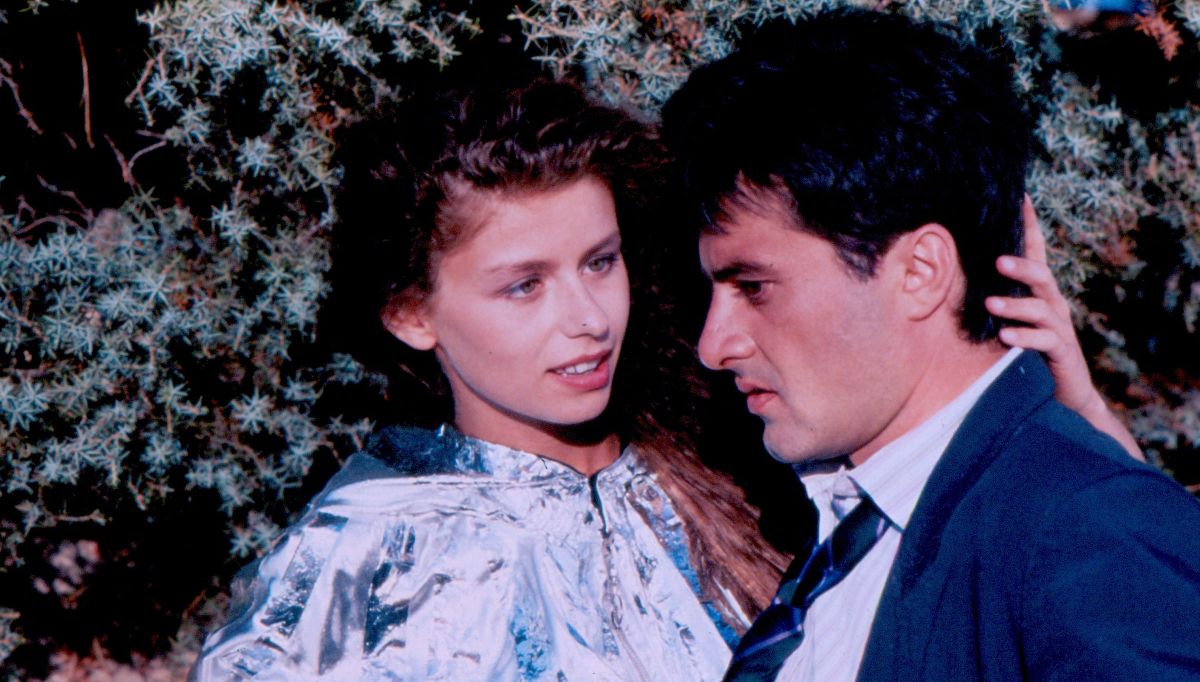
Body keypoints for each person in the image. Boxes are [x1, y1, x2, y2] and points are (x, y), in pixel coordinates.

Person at [192, 72, 1139, 680]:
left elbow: (1061, 562)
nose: (587, 317)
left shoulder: (758, 455)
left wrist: (1068, 405)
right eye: (524, 285)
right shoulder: (356, 559)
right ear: (411, 312)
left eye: (599, 262)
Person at [661, 9, 1200, 682]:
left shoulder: (1083, 529)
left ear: (920, 272)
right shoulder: (845, 528)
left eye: (754, 286)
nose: (714, 346)